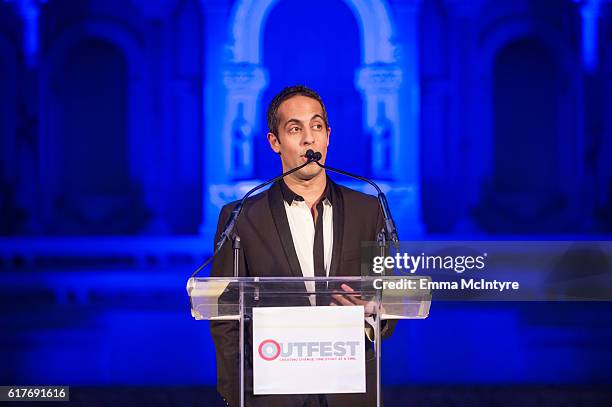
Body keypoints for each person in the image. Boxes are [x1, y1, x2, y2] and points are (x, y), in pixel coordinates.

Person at [210, 85, 394, 407]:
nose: (309, 138)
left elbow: (388, 299)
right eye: (295, 129)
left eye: (317, 126)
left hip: (349, 393)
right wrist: (238, 394)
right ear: (275, 142)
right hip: (273, 395)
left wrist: (372, 314)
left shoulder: (369, 210)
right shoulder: (240, 217)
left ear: (328, 136)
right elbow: (226, 321)